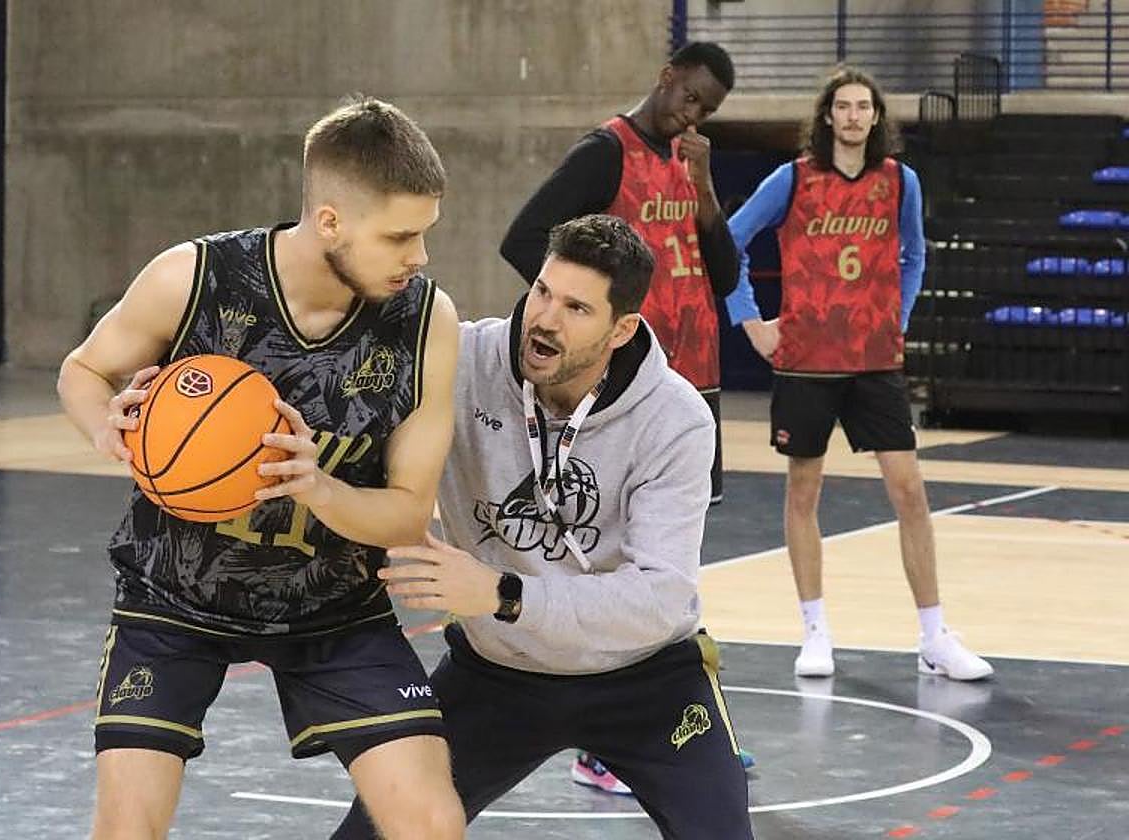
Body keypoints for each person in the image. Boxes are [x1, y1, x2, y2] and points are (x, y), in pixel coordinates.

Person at [56, 97, 466, 839]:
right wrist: (106, 426)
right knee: (127, 827)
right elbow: (83, 371)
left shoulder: (427, 322)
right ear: (330, 221)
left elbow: (408, 514)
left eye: (424, 233)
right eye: (400, 236)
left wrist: (318, 486)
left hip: (334, 608)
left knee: (432, 822)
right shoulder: (194, 278)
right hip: (174, 596)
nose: (420, 257)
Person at [332, 214, 754, 840]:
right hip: (496, 672)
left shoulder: (675, 419)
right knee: (376, 832)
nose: (546, 319)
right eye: (543, 292)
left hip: (647, 678)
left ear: (621, 329)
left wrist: (504, 593)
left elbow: (661, 597)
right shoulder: (461, 362)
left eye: (577, 308)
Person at [725, 66, 994, 681]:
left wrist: (899, 316)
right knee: (803, 492)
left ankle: (934, 636)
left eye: (863, 107)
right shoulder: (793, 178)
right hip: (807, 360)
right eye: (843, 106)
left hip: (874, 360)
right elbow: (729, 241)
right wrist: (751, 321)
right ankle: (815, 632)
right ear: (827, 116)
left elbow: (915, 255)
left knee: (910, 491)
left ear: (876, 117)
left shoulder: (900, 182)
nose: (852, 116)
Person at [500, 41, 739, 509]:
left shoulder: (690, 163)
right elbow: (522, 240)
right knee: (612, 514)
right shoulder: (606, 152)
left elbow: (725, 277)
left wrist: (705, 188)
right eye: (690, 97)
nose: (693, 115)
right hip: (632, 368)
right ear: (667, 77)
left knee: (687, 520)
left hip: (696, 366)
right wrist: (585, 314)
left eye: (706, 111)